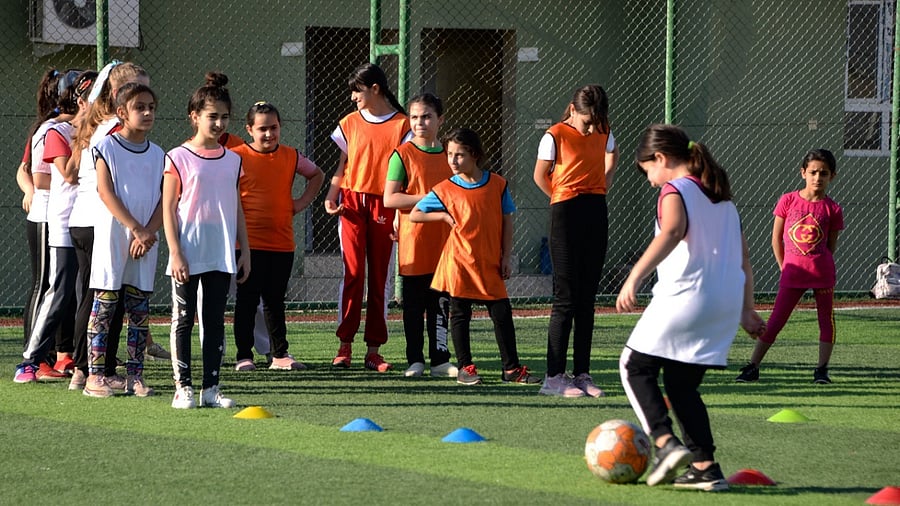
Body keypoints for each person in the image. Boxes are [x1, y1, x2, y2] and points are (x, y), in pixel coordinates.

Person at [616, 124, 765, 491]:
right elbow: (745, 258)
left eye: (648, 170)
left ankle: (665, 444)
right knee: (682, 386)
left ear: (661, 159)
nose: (650, 180)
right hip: (726, 303)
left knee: (633, 365)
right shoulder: (723, 198)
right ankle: (705, 467)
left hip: (689, 296)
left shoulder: (674, 189)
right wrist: (746, 310)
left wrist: (634, 276)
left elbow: (671, 231)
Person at [410, 128, 540, 386]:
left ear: (475, 155)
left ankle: (511, 369)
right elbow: (416, 213)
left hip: (489, 262)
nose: (453, 160)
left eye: (459, 155)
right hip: (459, 262)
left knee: (501, 313)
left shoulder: (498, 184)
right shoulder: (445, 189)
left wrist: (506, 256)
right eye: (449, 154)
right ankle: (466, 367)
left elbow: (507, 221)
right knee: (459, 314)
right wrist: (443, 216)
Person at [65, 61, 160, 392]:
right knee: (102, 301)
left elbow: (164, 196)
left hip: (140, 237)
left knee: (135, 305)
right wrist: (135, 227)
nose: (146, 112)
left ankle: (131, 374)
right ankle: (90, 372)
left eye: (150, 106)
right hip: (106, 230)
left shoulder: (158, 153)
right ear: (121, 106)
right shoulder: (106, 140)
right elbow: (104, 190)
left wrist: (148, 231)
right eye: (138, 105)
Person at [163, 72, 250, 409]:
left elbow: (237, 205)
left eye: (224, 117)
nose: (218, 123)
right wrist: (175, 252)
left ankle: (211, 389)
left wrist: (245, 250)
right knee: (183, 319)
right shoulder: (178, 157)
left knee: (214, 320)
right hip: (187, 250)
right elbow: (169, 209)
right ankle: (182, 388)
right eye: (212, 116)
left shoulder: (234, 159)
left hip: (221, 251)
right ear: (194, 116)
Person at [532, 85, 619, 398]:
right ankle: (553, 377)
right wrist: (560, 197)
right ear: (572, 109)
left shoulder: (603, 129)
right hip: (565, 212)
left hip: (595, 211)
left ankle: (582, 374)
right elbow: (540, 175)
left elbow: (612, 153)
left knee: (587, 299)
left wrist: (602, 184)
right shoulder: (554, 136)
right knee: (566, 297)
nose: (592, 127)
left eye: (596, 121)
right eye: (587, 121)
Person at [323, 63, 411, 372]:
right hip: (351, 203)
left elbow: (406, 176)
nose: (352, 97)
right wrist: (331, 194)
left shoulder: (403, 125)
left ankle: (374, 350)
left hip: (384, 205)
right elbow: (343, 164)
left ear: (375, 89)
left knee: (380, 277)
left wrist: (401, 213)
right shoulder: (348, 123)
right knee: (353, 272)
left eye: (356, 90)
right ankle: (344, 344)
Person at [736, 149, 844, 384]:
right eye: (813, 172)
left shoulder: (832, 209)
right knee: (776, 321)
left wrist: (818, 263)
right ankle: (752, 366)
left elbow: (830, 245)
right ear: (803, 172)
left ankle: (821, 370)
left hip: (822, 274)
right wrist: (784, 266)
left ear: (832, 177)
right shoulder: (788, 200)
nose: (818, 177)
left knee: (826, 321)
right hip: (793, 273)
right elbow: (776, 239)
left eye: (824, 173)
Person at [230, 101, 324, 371]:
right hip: (246, 244)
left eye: (273, 128)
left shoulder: (291, 155)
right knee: (246, 301)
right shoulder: (236, 157)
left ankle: (279, 355)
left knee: (274, 301)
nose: (269, 134)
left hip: (282, 243)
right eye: (262, 129)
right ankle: (243, 355)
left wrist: (300, 202)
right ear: (249, 129)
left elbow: (316, 174)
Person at [14, 69, 80, 383]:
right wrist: (31, 191)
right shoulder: (50, 130)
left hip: (67, 215)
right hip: (46, 214)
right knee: (45, 286)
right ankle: (35, 358)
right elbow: (32, 174)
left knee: (66, 290)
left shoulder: (76, 129)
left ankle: (63, 353)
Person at [383, 93, 456, 378]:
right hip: (414, 240)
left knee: (440, 303)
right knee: (413, 306)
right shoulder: (402, 155)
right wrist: (429, 198)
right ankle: (415, 359)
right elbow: (390, 198)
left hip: (445, 241)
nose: (420, 122)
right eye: (414, 117)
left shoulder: (451, 155)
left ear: (440, 120)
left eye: (426, 116)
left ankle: (440, 360)